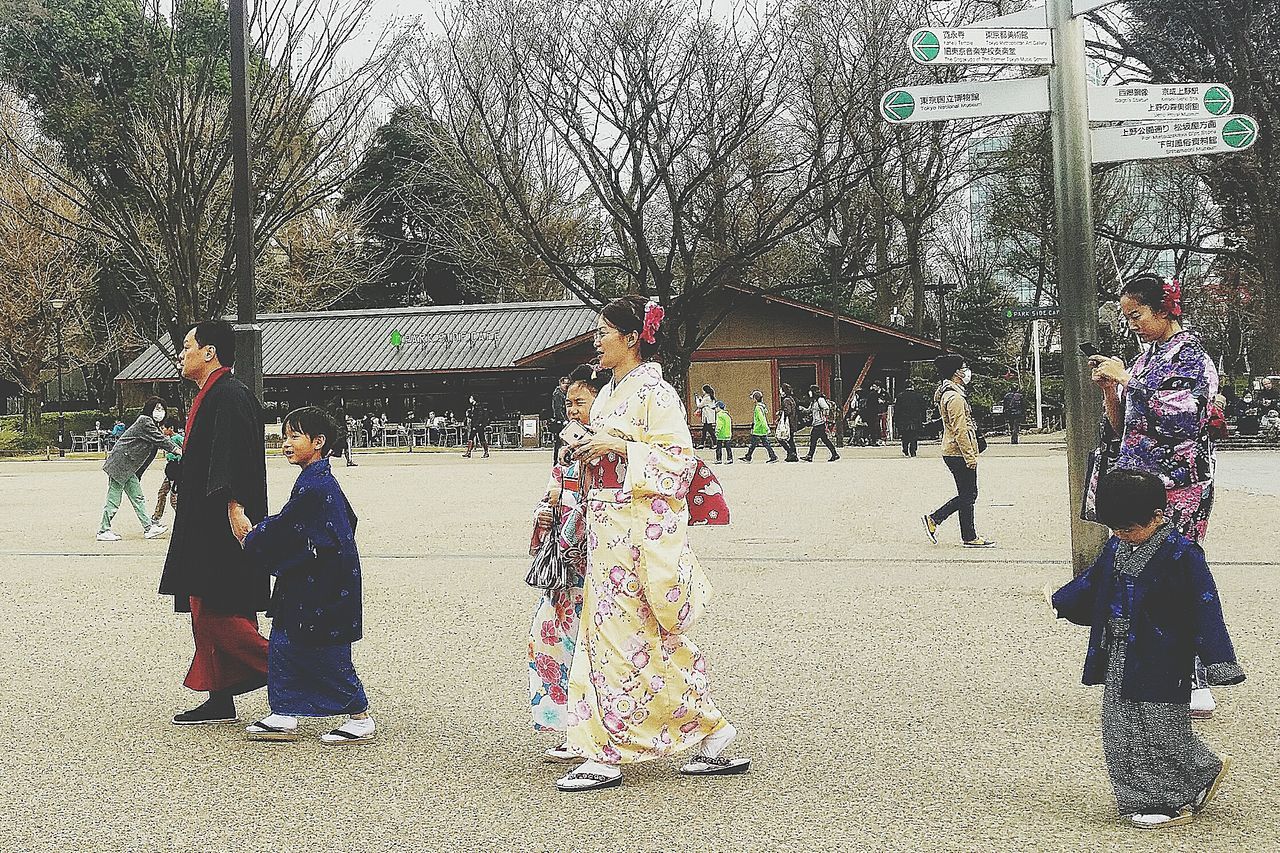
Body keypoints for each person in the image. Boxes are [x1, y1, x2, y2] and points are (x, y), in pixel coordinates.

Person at [556, 295, 748, 792]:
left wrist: (620, 447)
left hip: (638, 534)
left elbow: (679, 462)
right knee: (619, 640)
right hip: (608, 529)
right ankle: (711, 732)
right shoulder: (608, 395)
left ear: (631, 337)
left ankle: (606, 753)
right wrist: (585, 445)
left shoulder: (656, 395)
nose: (596, 340)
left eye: (603, 332)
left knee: (630, 642)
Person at [1048, 469, 1243, 831]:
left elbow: (1205, 605)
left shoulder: (1183, 554)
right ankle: (1145, 793)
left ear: (1159, 516)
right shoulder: (1116, 546)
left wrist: (1219, 661)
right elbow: (1093, 583)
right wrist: (1064, 601)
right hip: (1119, 649)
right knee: (1119, 727)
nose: (1123, 535)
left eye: (1130, 528)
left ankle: (1166, 799)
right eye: (1117, 529)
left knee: (1161, 727)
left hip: (1163, 654)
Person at [1087, 273, 1219, 716]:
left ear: (1164, 309)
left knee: (1175, 573)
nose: (1133, 325)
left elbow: (1182, 417)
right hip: (1139, 479)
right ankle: (1142, 668)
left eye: (1137, 314)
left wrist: (1126, 378)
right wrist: (1112, 391)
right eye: (1128, 317)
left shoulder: (1193, 357)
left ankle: (1196, 676)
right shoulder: (1145, 360)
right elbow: (1126, 422)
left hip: (1179, 483)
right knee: (1135, 573)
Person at [159, 319, 270, 726]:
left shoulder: (230, 395)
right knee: (203, 606)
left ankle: (293, 671)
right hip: (203, 519)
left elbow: (235, 457)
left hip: (220, 522)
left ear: (209, 352)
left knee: (218, 612)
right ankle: (220, 698)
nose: (181, 353)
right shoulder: (211, 394)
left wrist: (236, 505)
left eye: (187, 346)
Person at [242, 407, 373, 745]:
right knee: (286, 643)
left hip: (324, 584)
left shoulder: (315, 485)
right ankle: (283, 712)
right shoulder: (316, 480)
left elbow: (288, 526)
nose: (286, 443)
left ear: (318, 442)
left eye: (294, 436)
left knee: (326, 650)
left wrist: (253, 536)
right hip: (315, 578)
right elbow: (346, 520)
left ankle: (359, 716)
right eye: (285, 436)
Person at [527, 364, 608, 755]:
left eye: (581, 402)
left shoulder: (610, 445)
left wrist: (570, 503)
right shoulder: (566, 448)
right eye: (570, 402)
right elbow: (552, 492)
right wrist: (545, 511)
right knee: (553, 641)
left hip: (598, 563)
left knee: (595, 649)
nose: (573, 409)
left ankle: (594, 730)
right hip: (566, 568)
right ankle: (572, 727)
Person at [922, 354, 995, 548]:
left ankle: (966, 534)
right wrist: (970, 455)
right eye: (964, 367)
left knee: (967, 493)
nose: (967, 371)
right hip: (957, 451)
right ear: (956, 372)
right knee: (968, 494)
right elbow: (960, 429)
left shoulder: (950, 393)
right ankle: (937, 519)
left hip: (954, 450)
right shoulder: (954, 397)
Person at [97, 397, 179, 541]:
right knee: (114, 497)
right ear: (149, 409)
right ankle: (104, 530)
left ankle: (149, 528)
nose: (159, 412)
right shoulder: (145, 421)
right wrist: (178, 450)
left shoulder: (152, 425)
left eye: (162, 409)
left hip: (128, 466)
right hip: (121, 464)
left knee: (138, 497)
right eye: (156, 409)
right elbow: (161, 440)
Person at [151, 423, 185, 525]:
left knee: (174, 498)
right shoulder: (167, 439)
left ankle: (182, 518)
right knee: (162, 492)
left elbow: (185, 449)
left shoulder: (178, 438)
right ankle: (156, 517)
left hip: (176, 470)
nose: (163, 430)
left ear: (171, 428)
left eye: (164, 428)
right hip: (171, 470)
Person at [800, 385, 839, 462]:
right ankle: (834, 454)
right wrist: (802, 409)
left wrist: (824, 416)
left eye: (810, 391)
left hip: (820, 423)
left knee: (814, 439)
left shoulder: (820, 400)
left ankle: (810, 456)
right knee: (824, 440)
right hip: (817, 423)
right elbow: (809, 410)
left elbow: (826, 407)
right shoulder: (814, 401)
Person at [893, 382, 929, 457]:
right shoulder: (918, 396)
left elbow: (897, 409)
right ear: (912, 386)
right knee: (914, 436)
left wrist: (895, 419)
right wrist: (924, 419)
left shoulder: (900, 396)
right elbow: (923, 408)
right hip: (915, 419)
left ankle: (905, 449)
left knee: (904, 435)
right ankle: (913, 450)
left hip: (903, 419)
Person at [742, 390, 778, 463]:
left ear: (755, 399)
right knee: (761, 443)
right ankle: (748, 456)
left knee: (756, 444)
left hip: (758, 429)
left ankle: (748, 457)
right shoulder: (762, 406)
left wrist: (766, 428)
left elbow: (762, 419)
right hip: (760, 428)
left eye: (753, 398)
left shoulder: (758, 408)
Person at [777, 383, 800, 462]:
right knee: (790, 440)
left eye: (781, 390)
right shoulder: (791, 399)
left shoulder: (786, 400)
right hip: (792, 422)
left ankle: (791, 453)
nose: (780, 392)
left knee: (781, 438)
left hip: (788, 423)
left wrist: (780, 412)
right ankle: (793, 455)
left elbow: (788, 411)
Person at [550, 376, 570, 462]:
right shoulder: (557, 394)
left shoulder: (567, 393)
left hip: (567, 420)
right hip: (561, 422)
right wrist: (564, 420)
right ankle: (556, 461)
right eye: (565, 383)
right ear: (561, 383)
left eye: (568, 383)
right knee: (559, 442)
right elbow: (558, 409)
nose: (566, 385)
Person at [695, 385, 718, 449]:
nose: (702, 392)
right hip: (709, 416)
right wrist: (701, 399)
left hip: (707, 417)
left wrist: (697, 399)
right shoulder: (711, 397)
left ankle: (715, 443)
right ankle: (702, 443)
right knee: (704, 430)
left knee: (710, 430)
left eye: (703, 390)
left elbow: (699, 405)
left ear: (705, 391)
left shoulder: (706, 398)